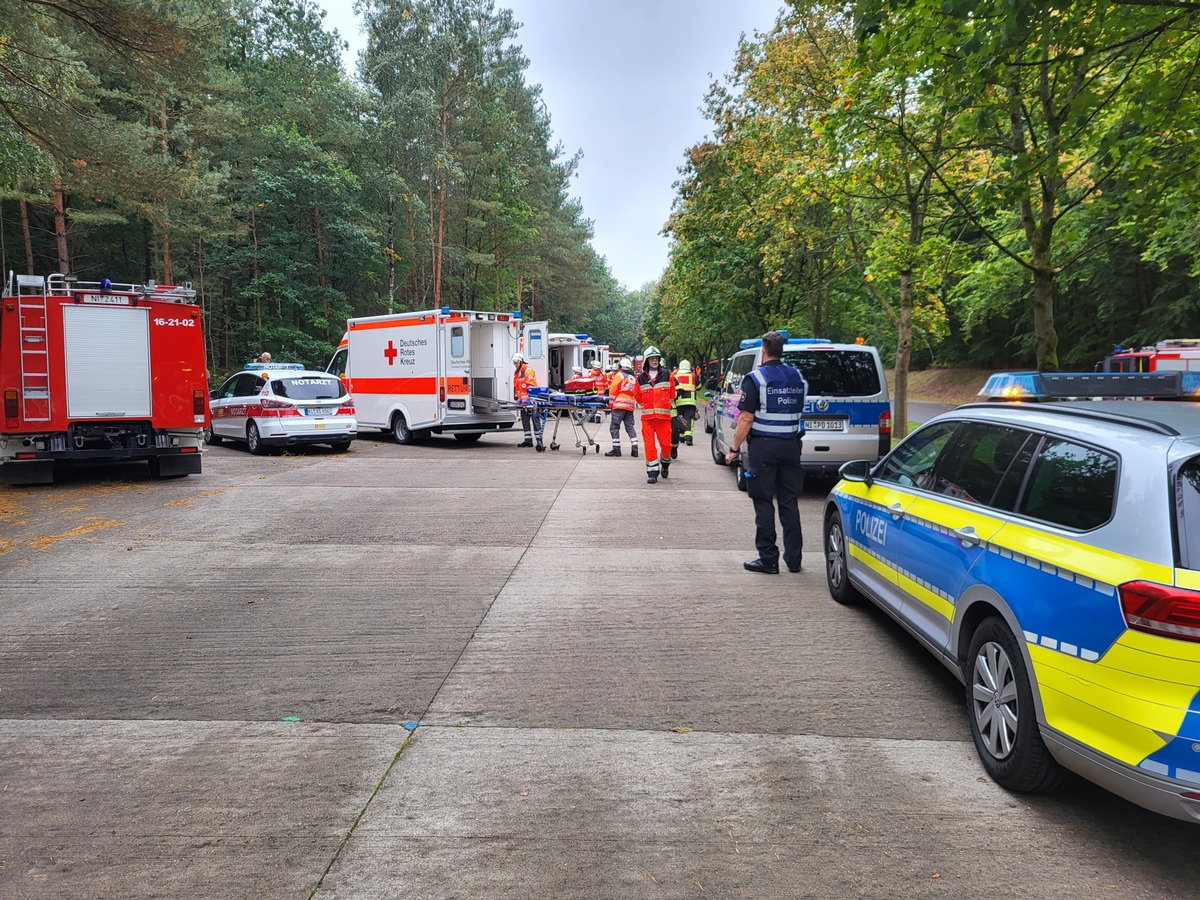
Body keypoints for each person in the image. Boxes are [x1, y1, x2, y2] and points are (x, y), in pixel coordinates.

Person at [725, 331, 807, 574]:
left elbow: (746, 418)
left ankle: (768, 559)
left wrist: (733, 449)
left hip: (764, 447)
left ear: (764, 349)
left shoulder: (755, 378)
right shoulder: (795, 376)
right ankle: (794, 560)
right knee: (789, 502)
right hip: (791, 446)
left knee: (763, 501)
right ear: (781, 351)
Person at [633, 345, 676, 483]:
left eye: (656, 358)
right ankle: (652, 472)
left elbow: (672, 394)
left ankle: (665, 462)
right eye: (652, 358)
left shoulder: (667, 375)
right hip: (647, 418)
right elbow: (638, 397)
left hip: (663, 418)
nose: (654, 360)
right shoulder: (640, 379)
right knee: (649, 445)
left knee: (666, 444)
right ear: (647, 361)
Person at [605, 357, 638, 457]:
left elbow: (613, 390)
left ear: (621, 366)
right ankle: (635, 449)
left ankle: (616, 450)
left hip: (619, 405)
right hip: (630, 406)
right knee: (630, 427)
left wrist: (610, 404)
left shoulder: (619, 375)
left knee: (614, 427)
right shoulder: (633, 378)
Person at [512, 352, 544, 450]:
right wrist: (518, 398)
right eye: (514, 362)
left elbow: (531, 387)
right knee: (525, 420)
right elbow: (517, 387)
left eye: (516, 362)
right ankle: (528, 440)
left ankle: (539, 440)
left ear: (521, 361)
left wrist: (527, 399)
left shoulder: (527, 371)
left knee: (535, 420)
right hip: (523, 402)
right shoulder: (517, 373)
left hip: (531, 401)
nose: (515, 364)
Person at [674, 359, 698, 446]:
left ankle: (681, 437)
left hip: (679, 401)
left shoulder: (675, 375)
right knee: (689, 418)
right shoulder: (693, 376)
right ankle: (688, 438)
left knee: (680, 418)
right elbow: (698, 386)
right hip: (690, 402)